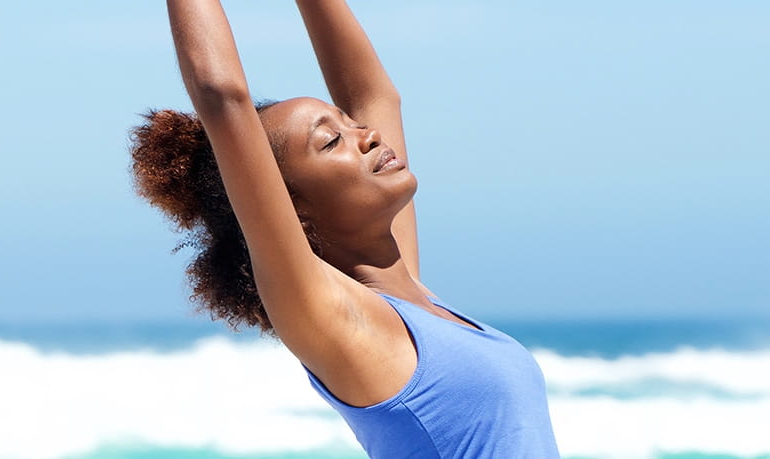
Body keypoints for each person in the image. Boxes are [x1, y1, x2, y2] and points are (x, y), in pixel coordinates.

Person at [130, 1, 560, 457]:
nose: (369, 136)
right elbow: (222, 97)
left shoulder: (409, 296)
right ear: (291, 209)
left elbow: (374, 94)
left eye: (352, 124)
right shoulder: (339, 318)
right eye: (332, 141)